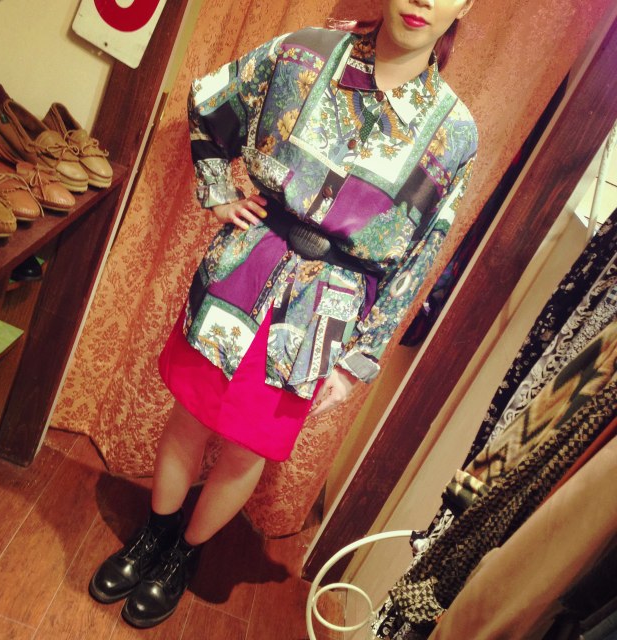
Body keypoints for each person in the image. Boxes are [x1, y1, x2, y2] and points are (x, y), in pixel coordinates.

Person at [89, 0, 478, 629]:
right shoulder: (304, 52)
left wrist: (357, 360)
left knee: (248, 447)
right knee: (190, 416)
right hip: (246, 266)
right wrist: (218, 191)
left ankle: (184, 556)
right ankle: (152, 537)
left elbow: (420, 256)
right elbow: (210, 99)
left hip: (324, 312)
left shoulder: (455, 133)